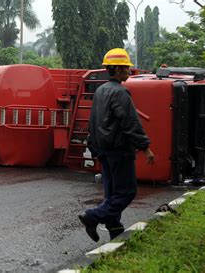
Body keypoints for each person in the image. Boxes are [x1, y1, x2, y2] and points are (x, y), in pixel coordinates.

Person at [78, 48, 155, 242]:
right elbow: (130, 122)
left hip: (104, 151)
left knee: (112, 194)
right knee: (127, 192)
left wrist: (94, 147)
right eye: (126, 68)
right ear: (117, 69)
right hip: (120, 151)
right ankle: (92, 216)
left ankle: (115, 231)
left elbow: (93, 122)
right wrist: (144, 147)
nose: (129, 71)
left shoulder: (101, 91)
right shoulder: (120, 92)